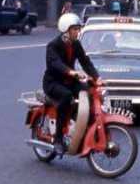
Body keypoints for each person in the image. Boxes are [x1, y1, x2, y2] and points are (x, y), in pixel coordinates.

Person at [43, 13, 100, 155]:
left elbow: (85, 62)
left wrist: (97, 78)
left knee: (88, 91)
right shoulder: (53, 45)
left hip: (69, 81)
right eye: (75, 29)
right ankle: (58, 139)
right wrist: (71, 72)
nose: (77, 32)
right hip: (53, 83)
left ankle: (82, 126)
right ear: (66, 30)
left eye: (78, 29)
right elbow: (55, 63)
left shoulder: (76, 44)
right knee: (67, 96)